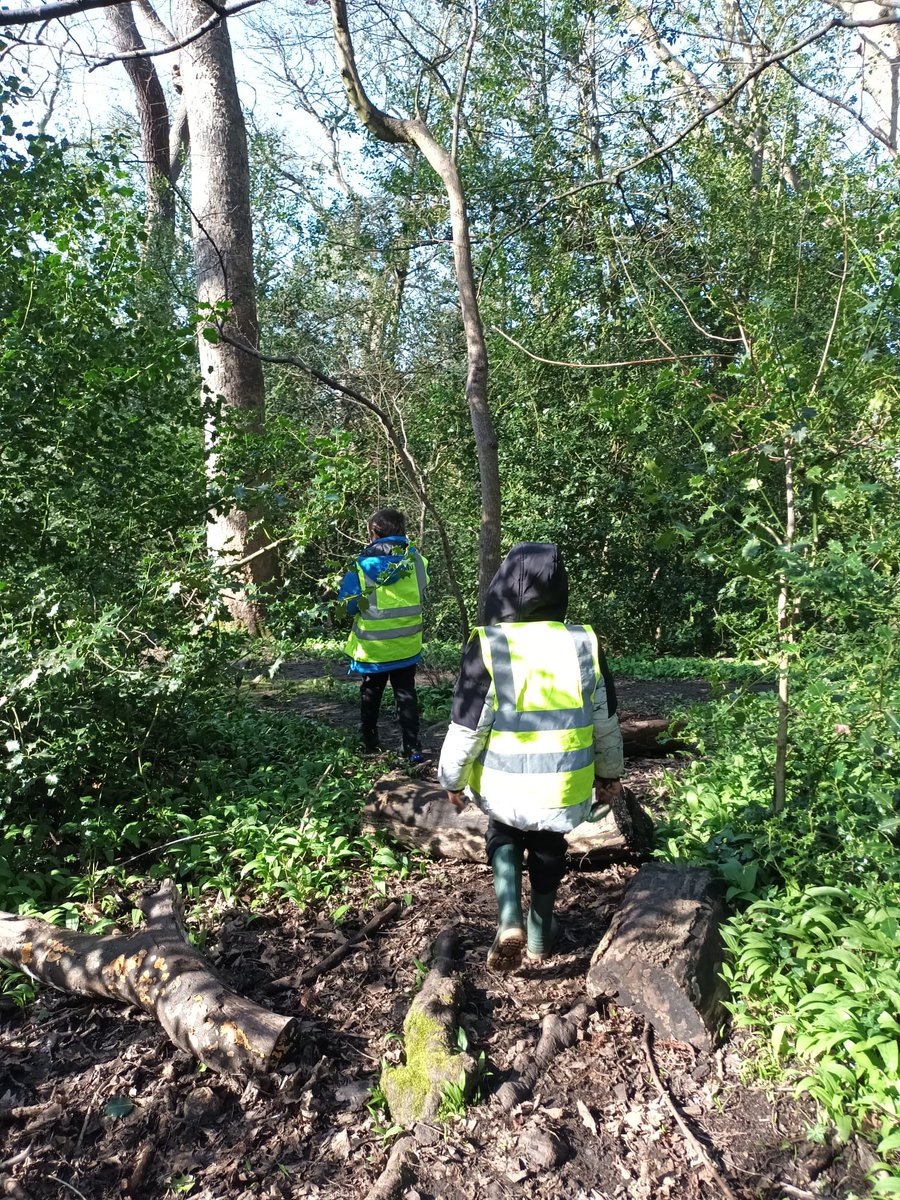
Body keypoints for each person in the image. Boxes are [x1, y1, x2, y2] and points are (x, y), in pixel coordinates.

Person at [437, 542, 625, 971]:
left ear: (501, 589)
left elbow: (468, 725)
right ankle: (540, 933)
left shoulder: (489, 644)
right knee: (548, 844)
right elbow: (605, 719)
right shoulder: (583, 643)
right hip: (563, 784)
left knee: (502, 834)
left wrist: (451, 779)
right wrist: (610, 774)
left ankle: (508, 920)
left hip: (503, 785)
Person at [338, 508, 429, 763]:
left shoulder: (360, 566)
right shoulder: (417, 562)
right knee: (406, 693)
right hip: (406, 645)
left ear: (373, 533)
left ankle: (369, 742)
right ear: (402, 531)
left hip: (373, 647)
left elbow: (348, 605)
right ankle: (412, 749)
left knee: (371, 692)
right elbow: (422, 588)